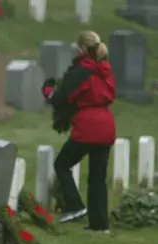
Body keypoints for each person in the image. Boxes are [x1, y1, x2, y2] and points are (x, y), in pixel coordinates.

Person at [43, 31, 116, 232]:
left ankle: (74, 205)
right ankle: (100, 225)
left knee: (62, 165)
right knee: (97, 177)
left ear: (83, 49)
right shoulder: (105, 68)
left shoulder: (81, 71)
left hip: (88, 126)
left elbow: (63, 98)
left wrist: (48, 92)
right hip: (106, 124)